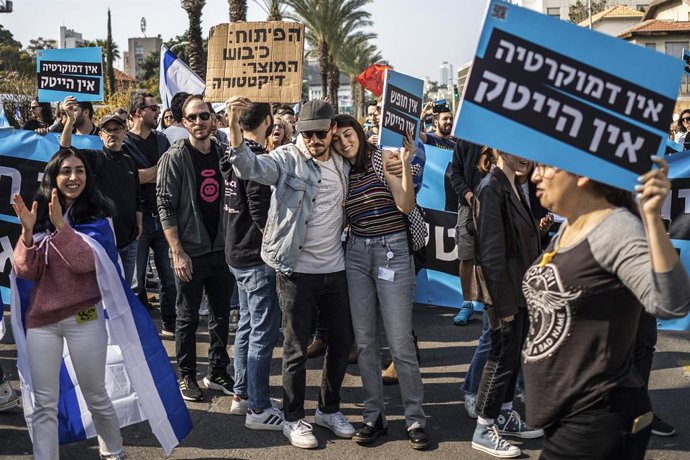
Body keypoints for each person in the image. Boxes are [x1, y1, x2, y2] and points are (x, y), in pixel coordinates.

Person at [522, 158, 690, 459]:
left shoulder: (615, 227)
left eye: (548, 166)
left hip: (597, 417)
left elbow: (670, 302)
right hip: (567, 416)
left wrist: (651, 218)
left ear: (583, 174)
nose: (536, 175)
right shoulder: (571, 226)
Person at [226, 97, 355, 450]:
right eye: (307, 134)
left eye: (319, 133)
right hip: (296, 269)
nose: (313, 140)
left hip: (336, 268)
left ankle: (329, 409)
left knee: (342, 342)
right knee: (296, 348)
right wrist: (235, 127)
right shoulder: (288, 159)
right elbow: (249, 167)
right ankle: (295, 418)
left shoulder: (343, 162)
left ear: (331, 130)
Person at [12, 148, 126, 460]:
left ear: (88, 177)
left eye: (79, 170)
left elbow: (85, 263)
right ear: (54, 177)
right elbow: (25, 270)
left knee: (96, 395)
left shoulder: (99, 220)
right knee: (44, 402)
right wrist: (26, 232)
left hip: (85, 319)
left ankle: (113, 452)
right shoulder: (37, 217)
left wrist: (62, 227)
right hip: (42, 324)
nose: (73, 177)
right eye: (65, 171)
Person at [332, 114, 430, 450]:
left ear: (358, 133)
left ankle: (415, 418)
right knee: (365, 343)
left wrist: (403, 166)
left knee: (401, 343)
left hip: (393, 251)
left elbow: (404, 205)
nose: (344, 143)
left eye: (349, 135)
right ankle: (374, 416)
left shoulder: (381, 156)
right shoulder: (339, 169)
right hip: (357, 254)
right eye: (338, 139)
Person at [157, 95, 234, 401]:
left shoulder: (222, 151)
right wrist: (177, 251)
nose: (199, 122)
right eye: (192, 118)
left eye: (204, 116)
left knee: (221, 315)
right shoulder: (175, 156)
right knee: (187, 318)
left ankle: (217, 371)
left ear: (213, 119)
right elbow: (164, 205)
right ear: (184, 122)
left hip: (220, 250)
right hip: (190, 252)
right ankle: (187, 376)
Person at [471, 149, 544, 458]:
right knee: (501, 357)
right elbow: (490, 254)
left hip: (520, 288)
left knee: (513, 356)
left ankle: (503, 413)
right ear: (500, 149)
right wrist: (504, 306)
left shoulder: (513, 183)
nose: (526, 156)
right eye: (518, 149)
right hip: (504, 292)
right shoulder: (491, 187)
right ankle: (484, 427)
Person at [220, 101, 283, 430]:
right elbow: (261, 217)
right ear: (269, 121)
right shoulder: (256, 162)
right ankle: (258, 408)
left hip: (236, 255)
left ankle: (242, 394)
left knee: (246, 325)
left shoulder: (233, 155)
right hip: (255, 259)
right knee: (262, 332)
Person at [59, 96, 142, 285]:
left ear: (124, 133)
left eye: (117, 129)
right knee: (104, 295)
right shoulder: (93, 158)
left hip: (130, 240)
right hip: (104, 243)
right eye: (107, 130)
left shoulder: (130, 161)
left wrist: (139, 221)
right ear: (100, 135)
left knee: (126, 292)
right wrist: (70, 120)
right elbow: (64, 150)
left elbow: (136, 194)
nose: (112, 134)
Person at [123, 91, 176, 334]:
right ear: (138, 113)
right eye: (153, 108)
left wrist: (148, 173)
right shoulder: (125, 143)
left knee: (169, 278)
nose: (158, 112)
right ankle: (141, 329)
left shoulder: (161, 139)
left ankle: (170, 323)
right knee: (136, 282)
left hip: (164, 217)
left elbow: (164, 173)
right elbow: (134, 177)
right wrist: (158, 169)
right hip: (139, 220)